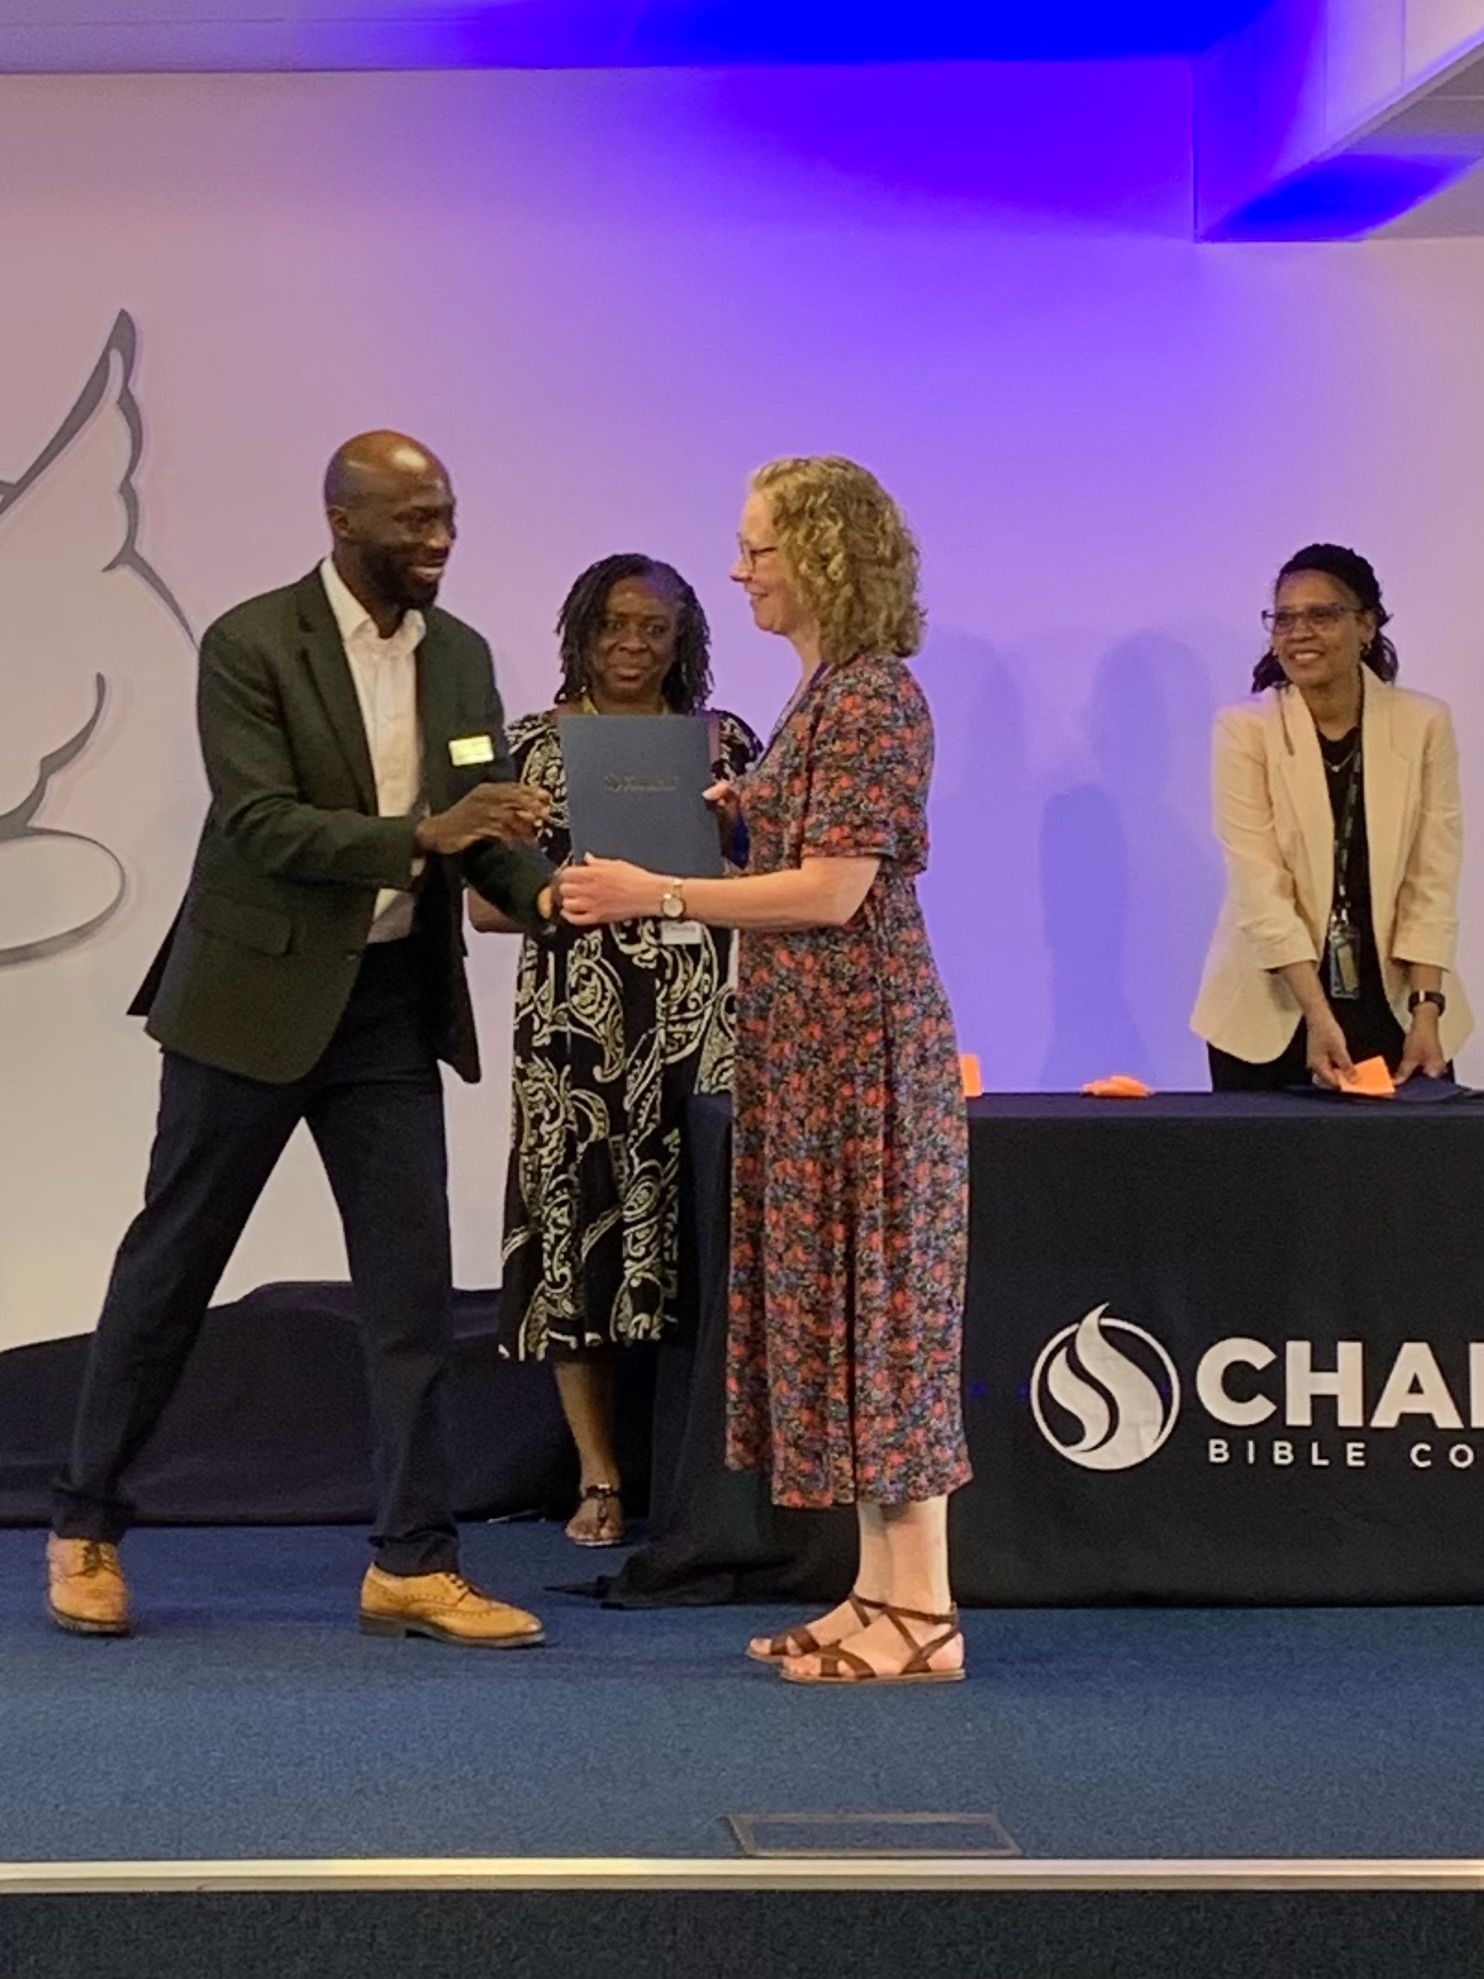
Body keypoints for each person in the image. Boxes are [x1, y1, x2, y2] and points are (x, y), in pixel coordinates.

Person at [46, 431, 560, 1649]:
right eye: (414, 520)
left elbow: (482, 826)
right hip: (250, 998)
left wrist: (554, 892)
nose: (439, 540)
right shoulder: (250, 643)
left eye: (447, 516)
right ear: (342, 520)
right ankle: (85, 1525)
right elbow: (264, 823)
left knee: (409, 1294)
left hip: (387, 1007)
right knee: (172, 1266)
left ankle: (413, 1563)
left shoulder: (462, 654)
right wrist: (428, 834)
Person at [562, 458, 970, 1683]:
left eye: (757, 549)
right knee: (839, 1316)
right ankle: (875, 1590)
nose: (737, 571)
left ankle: (925, 1611)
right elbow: (807, 856)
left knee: (883, 1318)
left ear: (823, 557)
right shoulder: (821, 694)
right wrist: (739, 817)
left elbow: (835, 892)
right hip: (805, 1053)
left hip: (862, 1055)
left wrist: (660, 890)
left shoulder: (872, 697)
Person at [471, 555, 760, 1546]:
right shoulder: (529, 749)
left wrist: (730, 843)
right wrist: (568, 890)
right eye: (615, 624)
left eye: (656, 629)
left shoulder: (726, 745)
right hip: (574, 1033)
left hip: (702, 1029)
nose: (633, 644)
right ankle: (597, 1476)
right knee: (574, 1236)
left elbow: (778, 881)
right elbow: (483, 905)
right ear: (582, 630)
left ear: (685, 642)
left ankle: (711, 1479)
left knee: (708, 1238)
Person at [1193, 542, 1471, 1090]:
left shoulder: (1423, 724)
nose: (1299, 633)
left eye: (1321, 615)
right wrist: (1319, 1017)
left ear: (1367, 625)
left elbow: (1431, 881)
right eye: (1284, 618)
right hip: (1272, 1014)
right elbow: (1259, 888)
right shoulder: (1245, 729)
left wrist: (1426, 1009)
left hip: (1397, 1008)